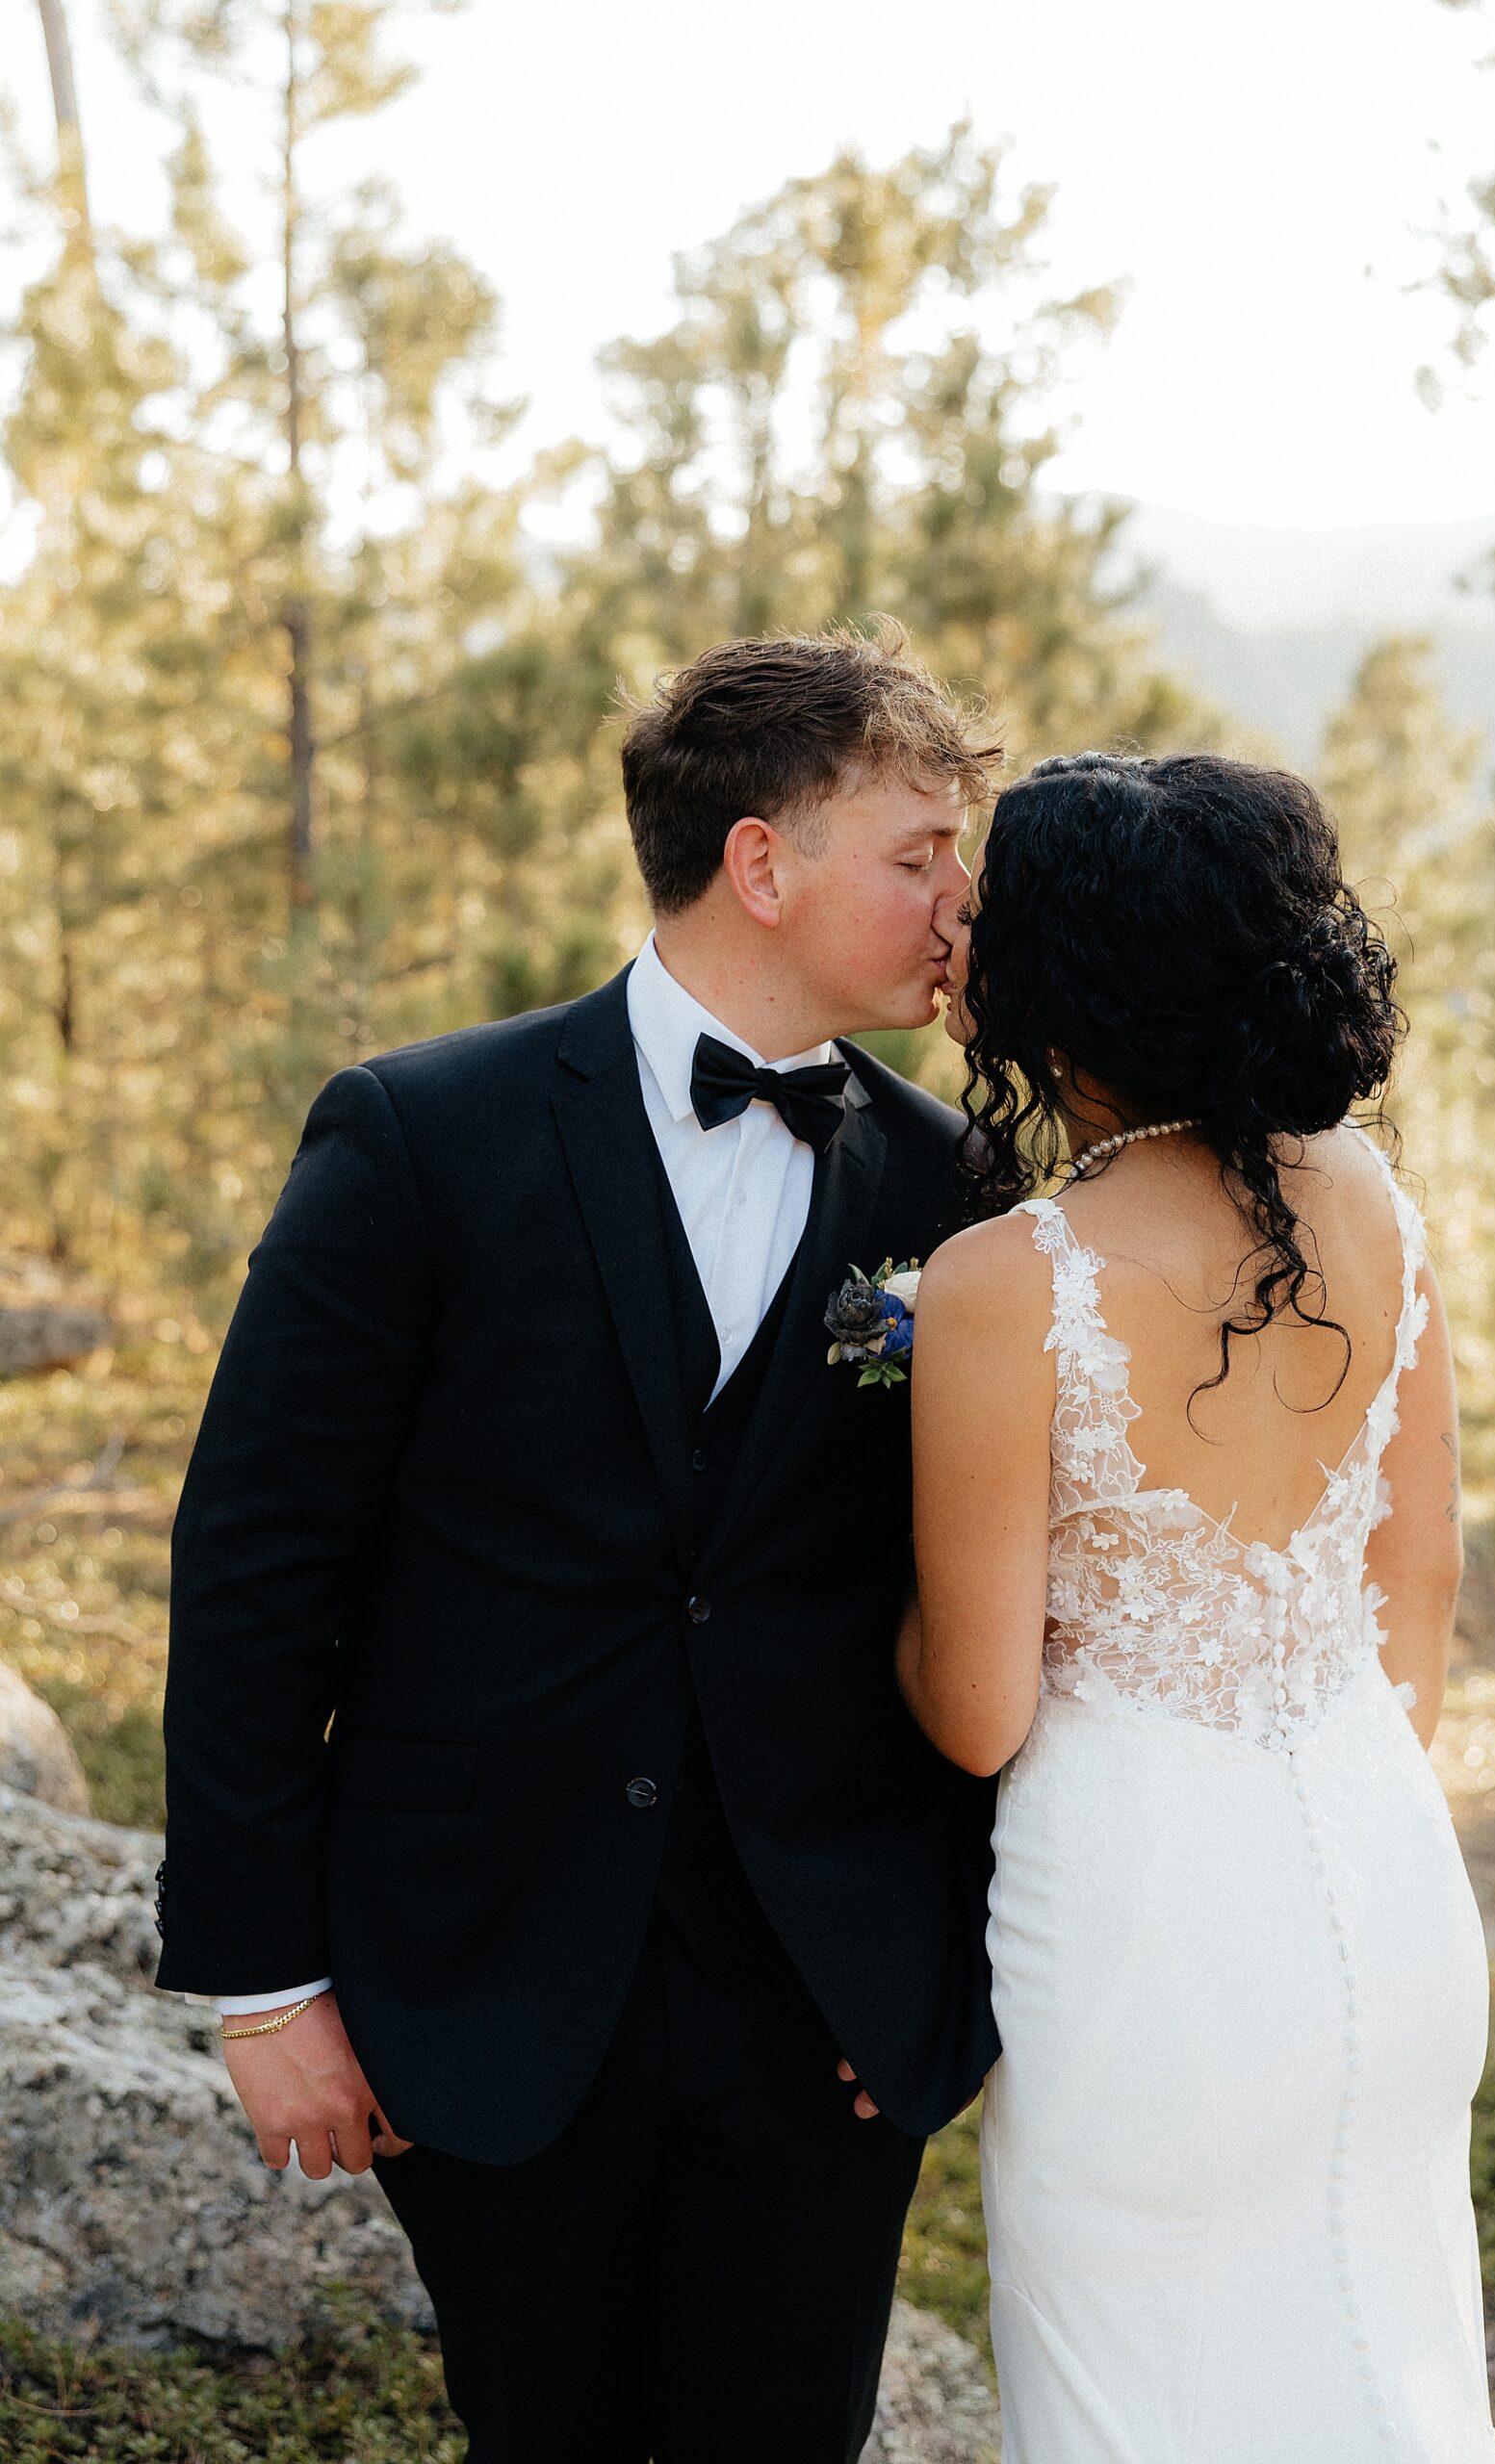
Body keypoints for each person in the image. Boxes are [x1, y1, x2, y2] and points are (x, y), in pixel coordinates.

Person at [152, 627, 1001, 2463]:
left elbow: (983, 1602)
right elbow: (255, 1565)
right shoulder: (419, 1136)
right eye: (919, 852)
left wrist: (929, 1973)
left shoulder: (956, 1195)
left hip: (820, 2012)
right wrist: (261, 1982)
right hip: (484, 1978)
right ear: (759, 864)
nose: (960, 900)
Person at [899, 751, 1495, 2462]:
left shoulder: (1005, 1281)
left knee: (1139, 2399)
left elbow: (979, 1711)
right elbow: (1423, 1572)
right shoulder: (1373, 1203)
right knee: (1383, 2359)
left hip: (1142, 1921)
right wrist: (1331, 1774)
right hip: (1383, 1872)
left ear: (1054, 981)